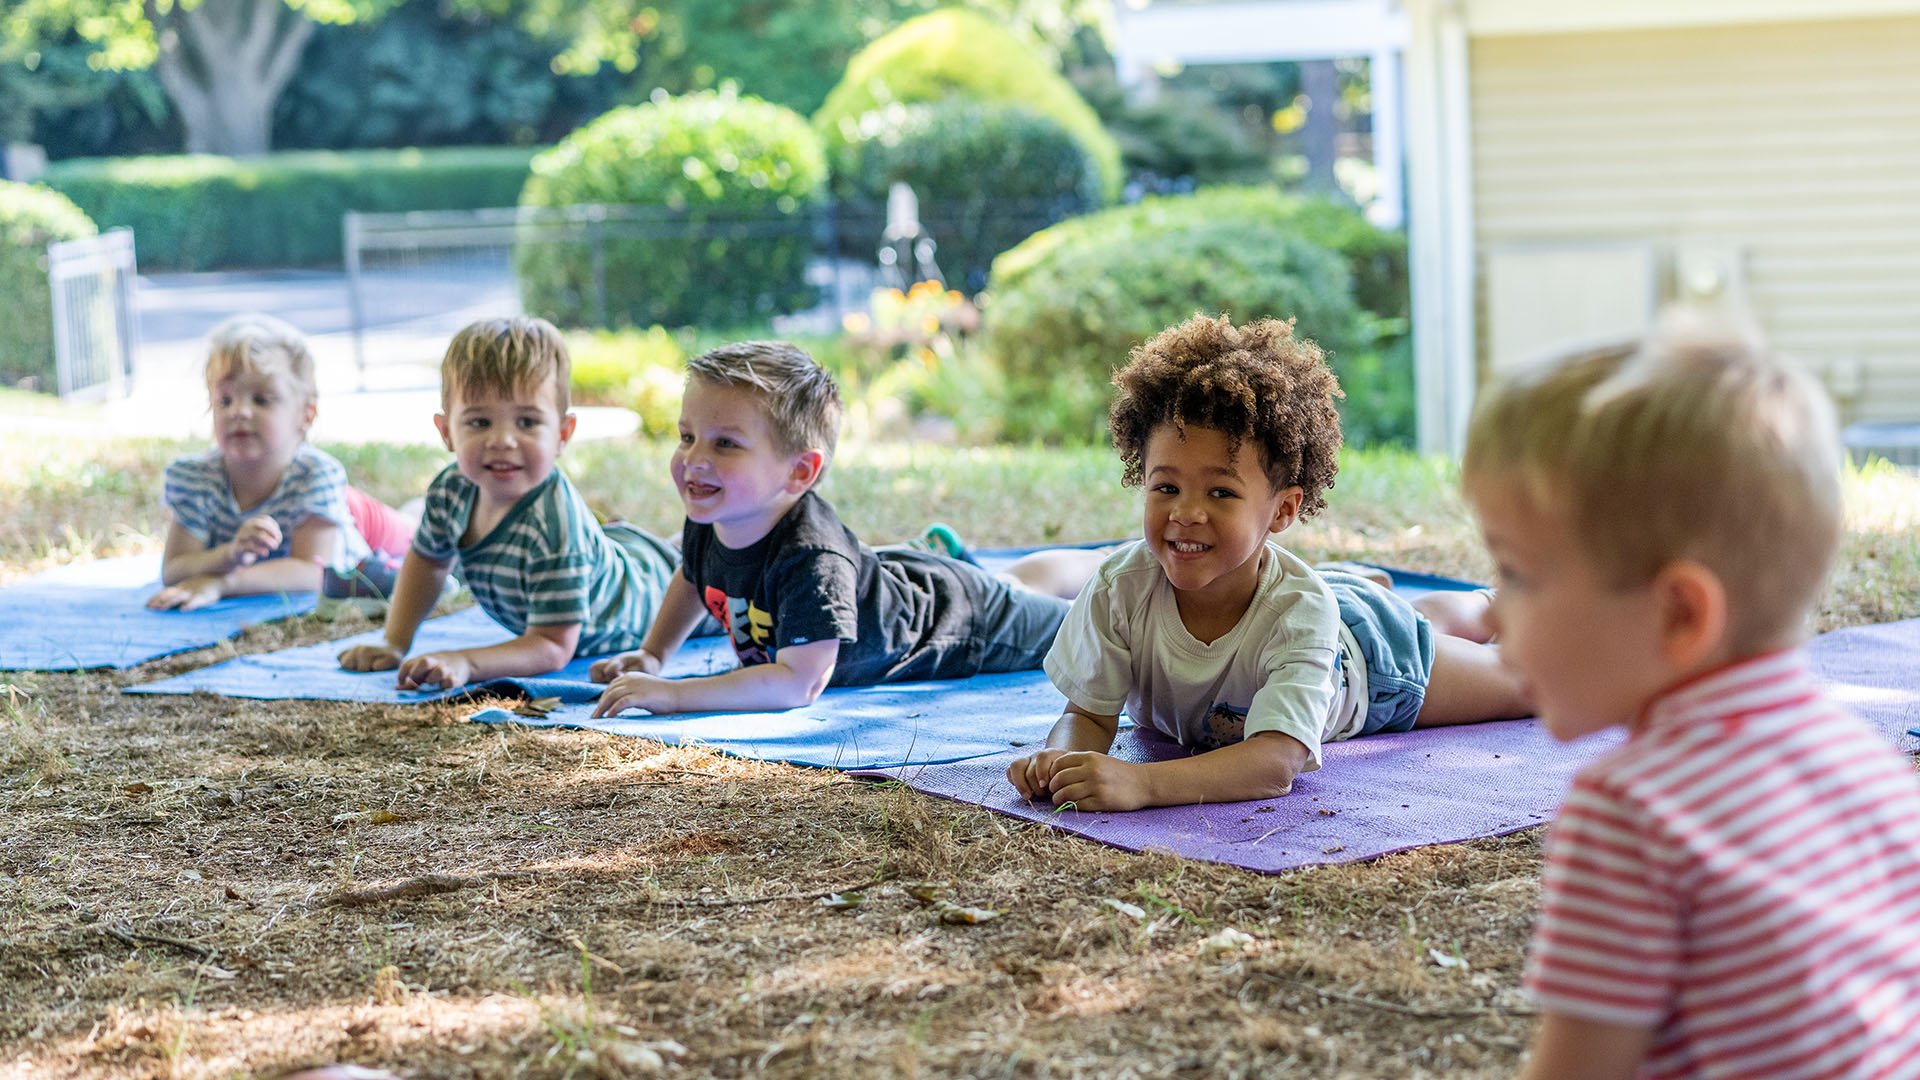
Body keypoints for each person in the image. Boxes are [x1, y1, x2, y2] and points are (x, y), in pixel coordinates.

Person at [1461, 316, 1920, 1079]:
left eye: (1515, 575)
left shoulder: (1631, 814)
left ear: (1679, 615)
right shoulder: (1872, 769)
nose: (1490, 615)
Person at [1005, 313, 1531, 812]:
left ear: (1282, 510)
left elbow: (1274, 764)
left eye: (1220, 492)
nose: (1186, 513)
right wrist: (1063, 759)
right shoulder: (1121, 587)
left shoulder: (1300, 611)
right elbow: (1087, 716)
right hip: (1309, 607)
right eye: (1166, 486)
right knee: (1412, 617)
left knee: (1527, 683)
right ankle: (1391, 594)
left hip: (1373, 664)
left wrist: (1141, 782)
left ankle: (1489, 603)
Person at [588, 340, 1093, 718]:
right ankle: (1030, 568)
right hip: (902, 579)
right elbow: (694, 578)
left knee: (1090, 631)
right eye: (687, 436)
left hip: (965, 627)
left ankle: (1121, 570)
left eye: (725, 445)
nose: (693, 460)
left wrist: (674, 695)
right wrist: (655, 653)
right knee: (1020, 584)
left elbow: (797, 684)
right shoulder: (712, 512)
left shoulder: (811, 557)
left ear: (799, 472)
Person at [336, 316, 679, 691]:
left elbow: (551, 645)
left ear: (563, 434)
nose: (503, 440)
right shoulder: (452, 489)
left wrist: (466, 661)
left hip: (656, 599)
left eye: (527, 422)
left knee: (707, 570)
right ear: (446, 431)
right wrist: (394, 641)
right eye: (480, 422)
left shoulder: (552, 523)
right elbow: (427, 561)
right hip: (617, 555)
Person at [149, 313, 413, 614]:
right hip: (323, 511)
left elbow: (312, 571)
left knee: (415, 534)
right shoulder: (194, 477)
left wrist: (223, 584)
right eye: (225, 400)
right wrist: (229, 554)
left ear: (306, 415)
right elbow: (174, 569)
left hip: (353, 520)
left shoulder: (316, 475)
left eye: (261, 400)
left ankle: (416, 509)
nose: (239, 412)